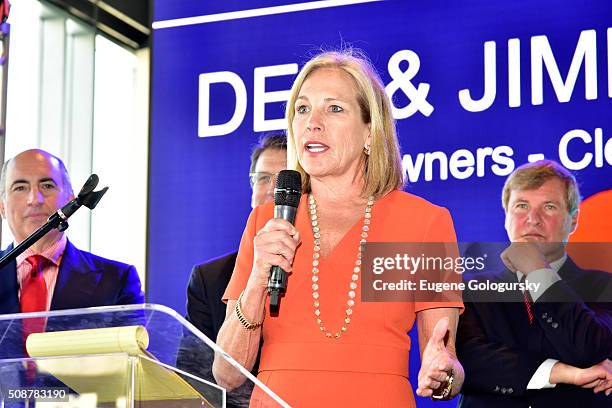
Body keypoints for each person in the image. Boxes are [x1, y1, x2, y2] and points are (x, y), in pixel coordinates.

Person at [212, 50, 465, 407]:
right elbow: (227, 373)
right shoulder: (266, 221)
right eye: (302, 109)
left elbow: (446, 364)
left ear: (369, 131)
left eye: (334, 109)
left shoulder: (423, 223)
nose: (312, 122)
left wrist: (444, 373)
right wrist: (256, 281)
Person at [457, 160, 612, 408]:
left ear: (573, 221)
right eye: (521, 206)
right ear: (506, 218)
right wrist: (562, 372)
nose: (533, 219)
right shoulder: (472, 289)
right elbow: (466, 362)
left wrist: (538, 271)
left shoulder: (604, 286)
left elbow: (589, 348)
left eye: (549, 207)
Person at [0, 149, 144, 314]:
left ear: (70, 200)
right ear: (2, 207)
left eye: (47, 186)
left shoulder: (117, 281)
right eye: (20, 188)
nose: (35, 199)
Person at [186, 132, 287, 342]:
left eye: (284, 180)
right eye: (264, 178)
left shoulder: (319, 267)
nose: (272, 190)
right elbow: (192, 369)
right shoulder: (209, 278)